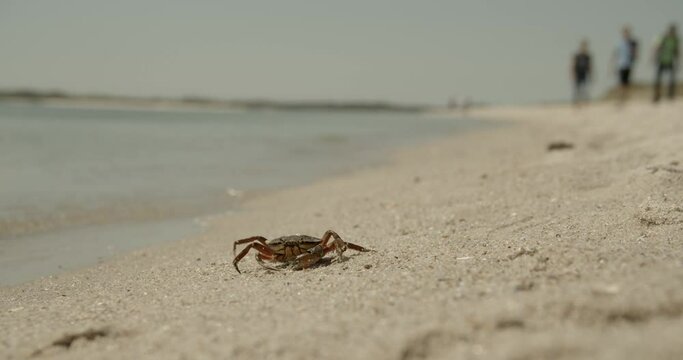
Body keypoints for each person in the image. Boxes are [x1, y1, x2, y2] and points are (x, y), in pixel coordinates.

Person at [653, 24, 679, 102]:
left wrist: (678, 60)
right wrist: (654, 57)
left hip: (670, 61)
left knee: (671, 79)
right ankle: (657, 95)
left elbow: (676, 50)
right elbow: (657, 47)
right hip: (661, 60)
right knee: (658, 79)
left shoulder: (675, 39)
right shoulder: (663, 38)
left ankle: (670, 95)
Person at [614, 26, 638, 102]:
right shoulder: (619, 43)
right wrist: (613, 65)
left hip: (628, 65)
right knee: (620, 82)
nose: (626, 34)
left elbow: (635, 54)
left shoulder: (632, 43)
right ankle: (620, 98)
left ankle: (625, 98)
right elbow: (615, 54)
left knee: (627, 83)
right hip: (621, 65)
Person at [572, 39, 592, 105]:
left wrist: (591, 74)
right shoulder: (577, 56)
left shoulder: (587, 56)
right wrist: (573, 73)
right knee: (577, 88)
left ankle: (585, 101)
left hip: (584, 73)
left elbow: (590, 66)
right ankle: (576, 102)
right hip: (578, 73)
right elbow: (574, 65)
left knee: (584, 88)